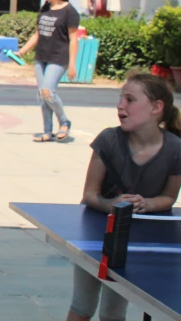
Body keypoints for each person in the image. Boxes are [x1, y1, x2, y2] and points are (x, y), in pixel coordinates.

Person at [65, 72, 181, 321]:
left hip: (137, 240)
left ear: (156, 107)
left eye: (130, 99)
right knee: (82, 306)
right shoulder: (108, 139)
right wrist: (111, 204)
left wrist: (148, 203)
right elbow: (89, 195)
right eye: (120, 99)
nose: (120, 105)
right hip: (96, 234)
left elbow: (169, 198)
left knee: (113, 312)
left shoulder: (175, 149)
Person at [15, 0, 79, 142]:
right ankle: (47, 131)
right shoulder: (45, 8)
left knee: (47, 91)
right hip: (41, 57)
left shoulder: (70, 12)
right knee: (42, 95)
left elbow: (73, 39)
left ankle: (64, 121)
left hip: (59, 58)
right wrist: (21, 52)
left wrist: (72, 64)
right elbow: (38, 34)